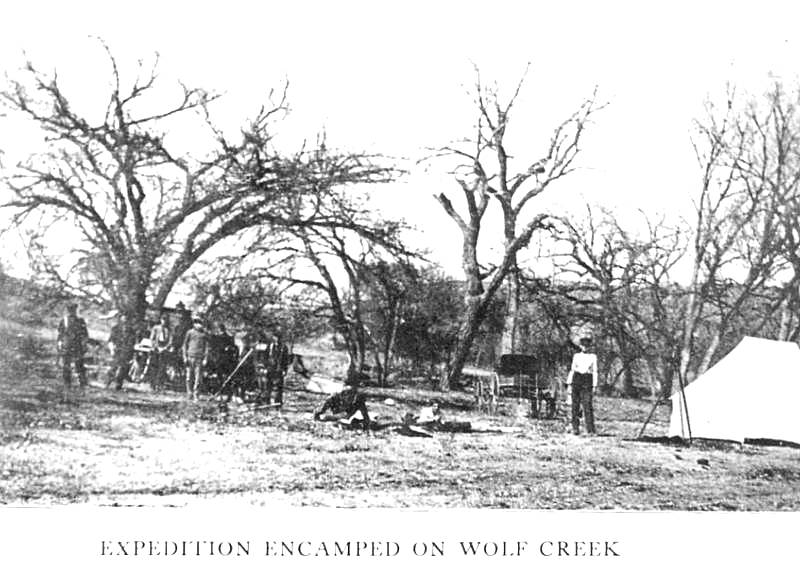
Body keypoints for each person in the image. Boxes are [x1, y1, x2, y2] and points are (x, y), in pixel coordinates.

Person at [566, 336, 598, 435]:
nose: (585, 348)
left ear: (590, 347)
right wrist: (569, 384)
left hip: (587, 380)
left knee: (587, 405)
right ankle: (575, 428)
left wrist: (594, 385)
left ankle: (590, 430)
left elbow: (595, 371)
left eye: (587, 346)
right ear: (580, 346)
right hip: (577, 379)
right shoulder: (576, 356)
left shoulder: (593, 356)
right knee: (575, 406)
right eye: (583, 346)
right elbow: (572, 369)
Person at [57, 303, 89, 394]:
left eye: (73, 310)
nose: (72, 312)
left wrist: (84, 344)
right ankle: (67, 385)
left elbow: (85, 334)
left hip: (77, 346)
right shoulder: (64, 321)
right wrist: (59, 344)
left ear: (76, 310)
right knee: (66, 366)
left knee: (79, 366)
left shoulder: (80, 321)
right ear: (68, 311)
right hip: (66, 346)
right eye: (70, 310)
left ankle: (82, 386)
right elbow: (60, 334)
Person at [182, 316, 209, 401]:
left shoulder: (204, 334)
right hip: (190, 356)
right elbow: (184, 345)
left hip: (199, 358)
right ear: (194, 324)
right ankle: (189, 393)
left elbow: (207, 348)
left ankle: (196, 394)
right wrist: (184, 357)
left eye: (200, 323)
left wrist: (205, 359)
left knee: (198, 378)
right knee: (189, 377)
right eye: (197, 323)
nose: (199, 325)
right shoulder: (189, 333)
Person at [147, 312, 172, 392]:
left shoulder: (168, 330)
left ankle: (159, 385)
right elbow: (152, 338)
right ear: (161, 320)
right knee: (154, 367)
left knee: (162, 368)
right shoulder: (156, 328)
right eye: (163, 319)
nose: (164, 321)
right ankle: (152, 384)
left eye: (166, 320)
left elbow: (170, 341)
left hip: (163, 350)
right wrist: (156, 347)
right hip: (155, 350)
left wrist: (165, 348)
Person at [266, 333, 291, 406]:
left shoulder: (283, 347)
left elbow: (286, 360)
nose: (275, 339)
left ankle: (278, 402)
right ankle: (267, 401)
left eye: (276, 337)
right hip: (270, 368)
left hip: (279, 369)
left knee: (279, 386)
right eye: (274, 337)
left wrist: (284, 370)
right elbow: (265, 357)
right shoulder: (270, 346)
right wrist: (265, 367)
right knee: (268, 385)